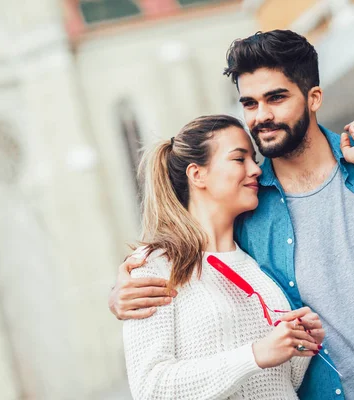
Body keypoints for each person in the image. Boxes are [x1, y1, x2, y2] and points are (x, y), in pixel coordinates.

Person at [111, 30, 354, 399]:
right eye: (249, 103)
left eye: (276, 98)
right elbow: (195, 243)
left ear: (313, 97)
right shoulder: (248, 202)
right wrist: (122, 294)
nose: (261, 116)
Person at [123, 114, 326, 400]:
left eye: (253, 159)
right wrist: (254, 354)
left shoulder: (255, 265)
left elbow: (281, 383)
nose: (256, 169)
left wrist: (301, 344)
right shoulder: (154, 267)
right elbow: (152, 388)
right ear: (197, 174)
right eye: (239, 159)